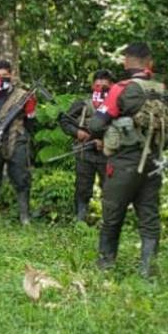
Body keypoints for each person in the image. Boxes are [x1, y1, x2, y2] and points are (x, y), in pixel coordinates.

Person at [87, 42, 168, 277]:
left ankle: (106, 264)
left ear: (127, 62)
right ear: (150, 63)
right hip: (153, 162)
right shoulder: (161, 89)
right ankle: (148, 269)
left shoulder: (121, 88)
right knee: (149, 216)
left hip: (124, 162)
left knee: (112, 213)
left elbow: (96, 124)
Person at [0, 60, 37, 225]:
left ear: (11, 75)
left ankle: (25, 215)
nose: (2, 78)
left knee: (21, 178)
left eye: (5, 75)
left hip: (16, 140)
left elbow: (31, 122)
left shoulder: (22, 95)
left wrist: (31, 110)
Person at [58, 69, 115, 222]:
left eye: (105, 86)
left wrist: (106, 142)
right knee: (82, 188)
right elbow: (64, 120)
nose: (101, 89)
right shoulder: (83, 103)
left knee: (110, 189)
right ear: (92, 86)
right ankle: (80, 219)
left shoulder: (117, 105)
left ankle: (109, 222)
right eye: (97, 85)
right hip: (85, 153)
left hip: (108, 154)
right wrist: (77, 133)